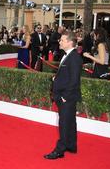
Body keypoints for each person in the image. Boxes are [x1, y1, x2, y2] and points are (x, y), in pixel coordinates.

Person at [44, 31, 82, 160]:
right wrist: (57, 78)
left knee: (65, 123)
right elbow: (67, 75)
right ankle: (71, 145)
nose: (59, 42)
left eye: (62, 40)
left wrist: (65, 96)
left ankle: (60, 150)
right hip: (65, 95)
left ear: (70, 42)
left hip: (67, 97)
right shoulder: (68, 55)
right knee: (70, 121)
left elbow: (75, 80)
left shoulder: (74, 57)